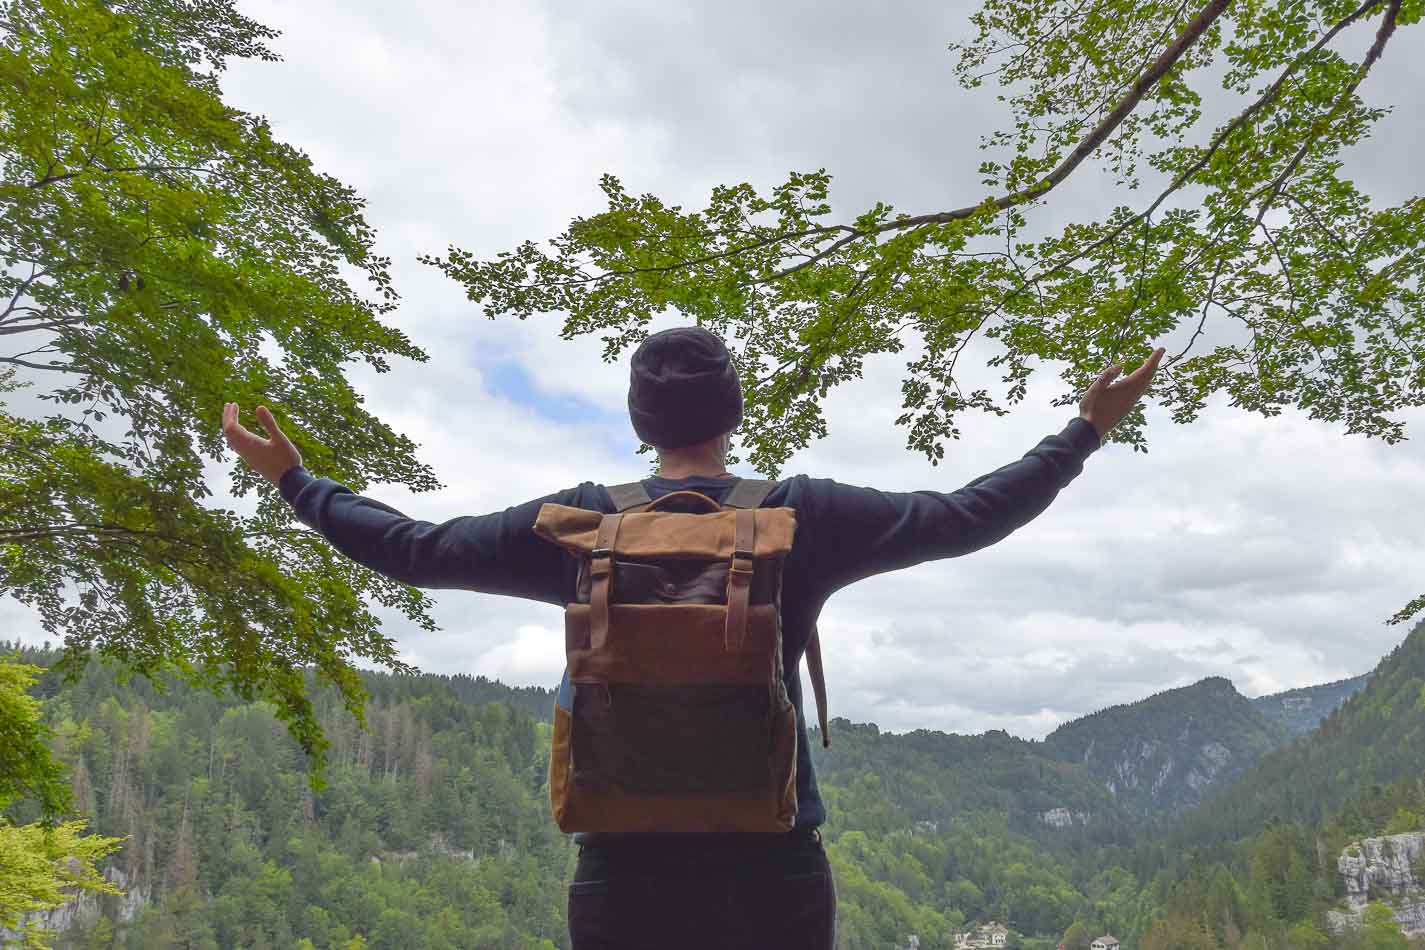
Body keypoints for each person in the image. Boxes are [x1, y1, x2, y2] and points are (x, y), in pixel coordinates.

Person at [222, 327, 1164, 950]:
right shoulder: (802, 515)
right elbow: (967, 515)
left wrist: (298, 481)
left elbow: (414, 551)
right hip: (774, 857)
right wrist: (1083, 429)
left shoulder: (577, 523)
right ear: (734, 411)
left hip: (621, 858)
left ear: (640, 423)